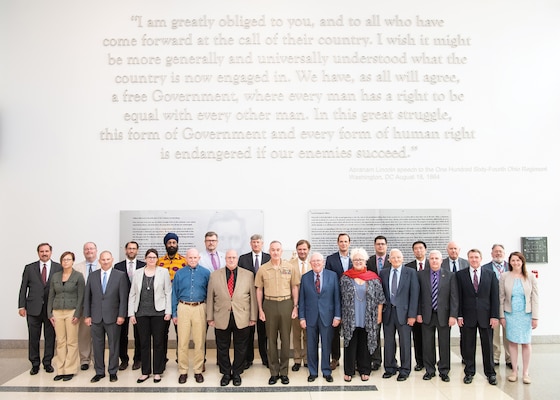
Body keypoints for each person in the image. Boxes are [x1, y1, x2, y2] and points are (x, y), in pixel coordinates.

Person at [207, 250, 257, 387]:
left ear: (237, 259)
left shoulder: (248, 275)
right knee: (222, 346)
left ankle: (236, 373)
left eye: (234, 257)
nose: (231, 259)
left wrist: (253, 317)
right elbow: (210, 297)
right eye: (229, 257)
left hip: (242, 316)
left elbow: (253, 297)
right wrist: (210, 317)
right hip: (221, 316)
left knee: (241, 347)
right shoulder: (215, 275)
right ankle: (226, 373)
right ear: (225, 259)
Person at [255, 240, 300, 385]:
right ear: (269, 251)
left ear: (282, 251)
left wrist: (295, 306)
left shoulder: (290, 267)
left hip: (286, 304)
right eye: (273, 249)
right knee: (271, 340)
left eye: (278, 249)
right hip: (269, 304)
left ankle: (284, 372)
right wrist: (260, 309)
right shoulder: (263, 269)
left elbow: (294, 287)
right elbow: (259, 290)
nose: (275, 252)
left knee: (286, 340)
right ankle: (274, 372)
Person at [340, 248, 385, 382]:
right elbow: (340, 298)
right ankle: (349, 370)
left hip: (369, 316)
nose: (358, 262)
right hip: (350, 317)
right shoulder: (345, 277)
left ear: (365, 261)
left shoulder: (373, 278)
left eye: (360, 259)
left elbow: (380, 298)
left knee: (365, 344)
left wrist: (379, 316)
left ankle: (365, 370)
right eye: (355, 260)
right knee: (350, 343)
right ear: (352, 261)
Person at [83, 250, 128, 383]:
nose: (105, 262)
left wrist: (121, 315)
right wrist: (87, 315)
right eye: (103, 259)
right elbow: (87, 297)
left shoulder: (120, 276)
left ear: (112, 259)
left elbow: (123, 298)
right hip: (96, 317)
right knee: (97, 345)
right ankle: (99, 371)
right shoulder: (92, 276)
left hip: (113, 317)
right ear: (99, 261)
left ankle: (113, 371)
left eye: (108, 259)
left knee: (114, 345)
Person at [18, 243, 63, 375]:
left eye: (47, 251)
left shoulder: (58, 267)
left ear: (51, 252)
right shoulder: (29, 268)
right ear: (38, 253)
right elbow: (23, 288)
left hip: (51, 309)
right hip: (33, 308)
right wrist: (21, 306)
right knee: (34, 337)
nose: (44, 253)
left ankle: (47, 362)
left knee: (50, 336)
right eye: (42, 251)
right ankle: (35, 363)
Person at [129, 248, 171, 384]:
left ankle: (158, 371)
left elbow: (168, 293)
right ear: (145, 259)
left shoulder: (163, 272)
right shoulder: (137, 273)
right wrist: (131, 314)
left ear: (157, 259)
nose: (152, 259)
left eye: (154, 257)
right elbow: (132, 294)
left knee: (158, 343)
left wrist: (168, 311)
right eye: (149, 257)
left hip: (159, 313)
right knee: (144, 343)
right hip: (141, 313)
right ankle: (145, 372)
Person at [457, 249, 499, 385]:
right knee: (468, 347)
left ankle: (491, 373)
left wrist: (494, 316)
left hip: (486, 316)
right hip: (467, 316)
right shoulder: (460, 275)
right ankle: (469, 372)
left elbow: (495, 297)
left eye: (476, 257)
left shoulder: (490, 274)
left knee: (488, 346)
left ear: (481, 258)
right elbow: (458, 297)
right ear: (468, 259)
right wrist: (459, 315)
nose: (474, 259)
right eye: (471, 257)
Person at [416, 250, 458, 383]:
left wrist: (453, 315)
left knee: (444, 343)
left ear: (441, 261)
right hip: (427, 315)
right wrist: (418, 313)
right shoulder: (421, 275)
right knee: (427, 344)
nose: (434, 261)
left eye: (437, 258)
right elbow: (418, 296)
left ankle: (444, 370)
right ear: (429, 260)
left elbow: (454, 297)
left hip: (444, 315)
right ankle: (430, 370)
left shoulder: (450, 275)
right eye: (432, 258)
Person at [299, 252, 341, 383]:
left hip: (327, 316)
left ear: (323, 262)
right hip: (310, 316)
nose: (316, 263)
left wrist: (337, 316)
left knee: (326, 345)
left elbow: (337, 298)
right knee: (311, 345)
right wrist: (301, 317)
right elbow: (302, 299)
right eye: (314, 261)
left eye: (319, 261)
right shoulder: (305, 277)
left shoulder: (332, 276)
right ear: (310, 263)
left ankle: (326, 371)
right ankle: (312, 371)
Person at [380, 248, 419, 382]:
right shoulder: (383, 273)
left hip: (405, 314)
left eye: (398, 257)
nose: (395, 260)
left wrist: (412, 315)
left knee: (405, 342)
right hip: (388, 313)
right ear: (389, 259)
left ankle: (405, 369)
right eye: (393, 257)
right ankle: (390, 368)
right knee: (389, 342)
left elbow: (414, 295)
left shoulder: (410, 272)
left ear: (402, 259)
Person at [172, 248, 210, 384]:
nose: (192, 260)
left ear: (199, 258)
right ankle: (183, 371)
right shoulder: (179, 274)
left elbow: (210, 294)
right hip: (183, 308)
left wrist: (209, 313)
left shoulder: (206, 273)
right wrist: (174, 313)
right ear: (186, 259)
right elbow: (174, 294)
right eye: (190, 258)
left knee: (199, 341)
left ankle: (198, 370)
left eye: (195, 258)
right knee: (182, 342)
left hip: (200, 308)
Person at [500, 251, 539, 384]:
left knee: (526, 343)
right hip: (510, 314)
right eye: (513, 260)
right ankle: (514, 371)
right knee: (512, 342)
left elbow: (535, 298)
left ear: (522, 262)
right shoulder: (505, 276)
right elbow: (501, 297)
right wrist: (501, 316)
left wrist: (535, 317)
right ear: (509, 262)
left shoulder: (530, 277)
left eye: (518, 260)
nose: (516, 263)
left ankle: (525, 372)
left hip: (525, 314)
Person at [47, 251, 85, 381]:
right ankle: (61, 369)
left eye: (68, 259)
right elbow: (51, 295)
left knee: (72, 341)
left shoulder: (78, 276)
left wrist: (78, 313)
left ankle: (70, 369)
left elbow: (81, 297)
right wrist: (49, 313)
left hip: (72, 311)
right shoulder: (55, 276)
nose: (66, 262)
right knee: (61, 341)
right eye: (64, 260)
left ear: (73, 261)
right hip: (57, 311)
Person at [238, 234, 271, 369]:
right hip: (248, 300)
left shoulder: (269, 258)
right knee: (248, 332)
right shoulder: (243, 258)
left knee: (264, 332)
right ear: (250, 244)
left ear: (262, 243)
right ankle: (248, 359)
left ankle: (265, 358)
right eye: (253, 242)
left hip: (265, 300)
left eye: (258, 242)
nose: (256, 244)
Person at [114, 241, 146, 371]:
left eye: (134, 249)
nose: (131, 251)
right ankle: (124, 360)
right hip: (122, 304)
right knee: (122, 334)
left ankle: (138, 359)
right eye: (129, 248)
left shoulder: (143, 266)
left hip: (139, 304)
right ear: (125, 250)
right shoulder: (118, 266)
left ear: (137, 250)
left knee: (139, 334)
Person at [158, 232, 186, 366]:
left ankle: (180, 358)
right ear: (165, 245)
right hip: (162, 303)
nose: (172, 245)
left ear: (177, 244)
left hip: (178, 302)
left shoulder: (184, 261)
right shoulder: (159, 261)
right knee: (162, 333)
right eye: (169, 243)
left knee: (180, 333)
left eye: (174, 242)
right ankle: (162, 359)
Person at [325, 233, 352, 370]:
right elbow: (328, 280)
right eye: (341, 241)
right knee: (334, 331)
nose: (343, 244)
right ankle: (335, 358)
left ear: (349, 243)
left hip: (352, 301)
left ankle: (351, 358)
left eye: (345, 241)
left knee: (351, 330)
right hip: (335, 298)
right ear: (337, 243)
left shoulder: (355, 258)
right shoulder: (330, 259)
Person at [482, 244, 511, 368]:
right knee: (494, 333)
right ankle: (495, 357)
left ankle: (510, 358)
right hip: (492, 304)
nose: (498, 254)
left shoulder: (511, 267)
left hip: (509, 305)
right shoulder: (485, 268)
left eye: (500, 252)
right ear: (491, 254)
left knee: (509, 333)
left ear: (504, 253)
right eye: (495, 252)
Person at [365, 235, 391, 370]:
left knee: (389, 334)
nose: (380, 246)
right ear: (374, 246)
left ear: (386, 245)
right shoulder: (368, 261)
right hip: (373, 303)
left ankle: (391, 359)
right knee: (373, 333)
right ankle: (376, 360)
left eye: (383, 244)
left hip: (391, 303)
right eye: (378, 244)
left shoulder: (393, 260)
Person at [73, 242, 98, 371]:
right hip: (83, 305)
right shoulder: (77, 268)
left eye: (91, 248)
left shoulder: (103, 264)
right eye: (86, 249)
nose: (89, 251)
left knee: (98, 334)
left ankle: (96, 359)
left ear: (96, 250)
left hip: (99, 306)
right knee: (83, 334)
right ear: (83, 252)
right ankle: (84, 360)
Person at [405, 240, 427, 372]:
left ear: (425, 250)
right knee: (417, 336)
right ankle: (420, 361)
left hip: (431, 307)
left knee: (429, 336)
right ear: (413, 251)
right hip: (414, 306)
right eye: (416, 249)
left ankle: (430, 360)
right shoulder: (408, 267)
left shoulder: (433, 264)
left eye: (421, 248)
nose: (418, 251)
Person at [290, 239, 310, 372]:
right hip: (294, 304)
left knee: (308, 334)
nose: (302, 251)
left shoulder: (314, 263)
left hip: (310, 305)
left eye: (304, 249)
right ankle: (297, 359)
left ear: (308, 250)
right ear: (297, 250)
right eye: (300, 249)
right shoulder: (289, 264)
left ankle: (308, 359)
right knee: (296, 333)